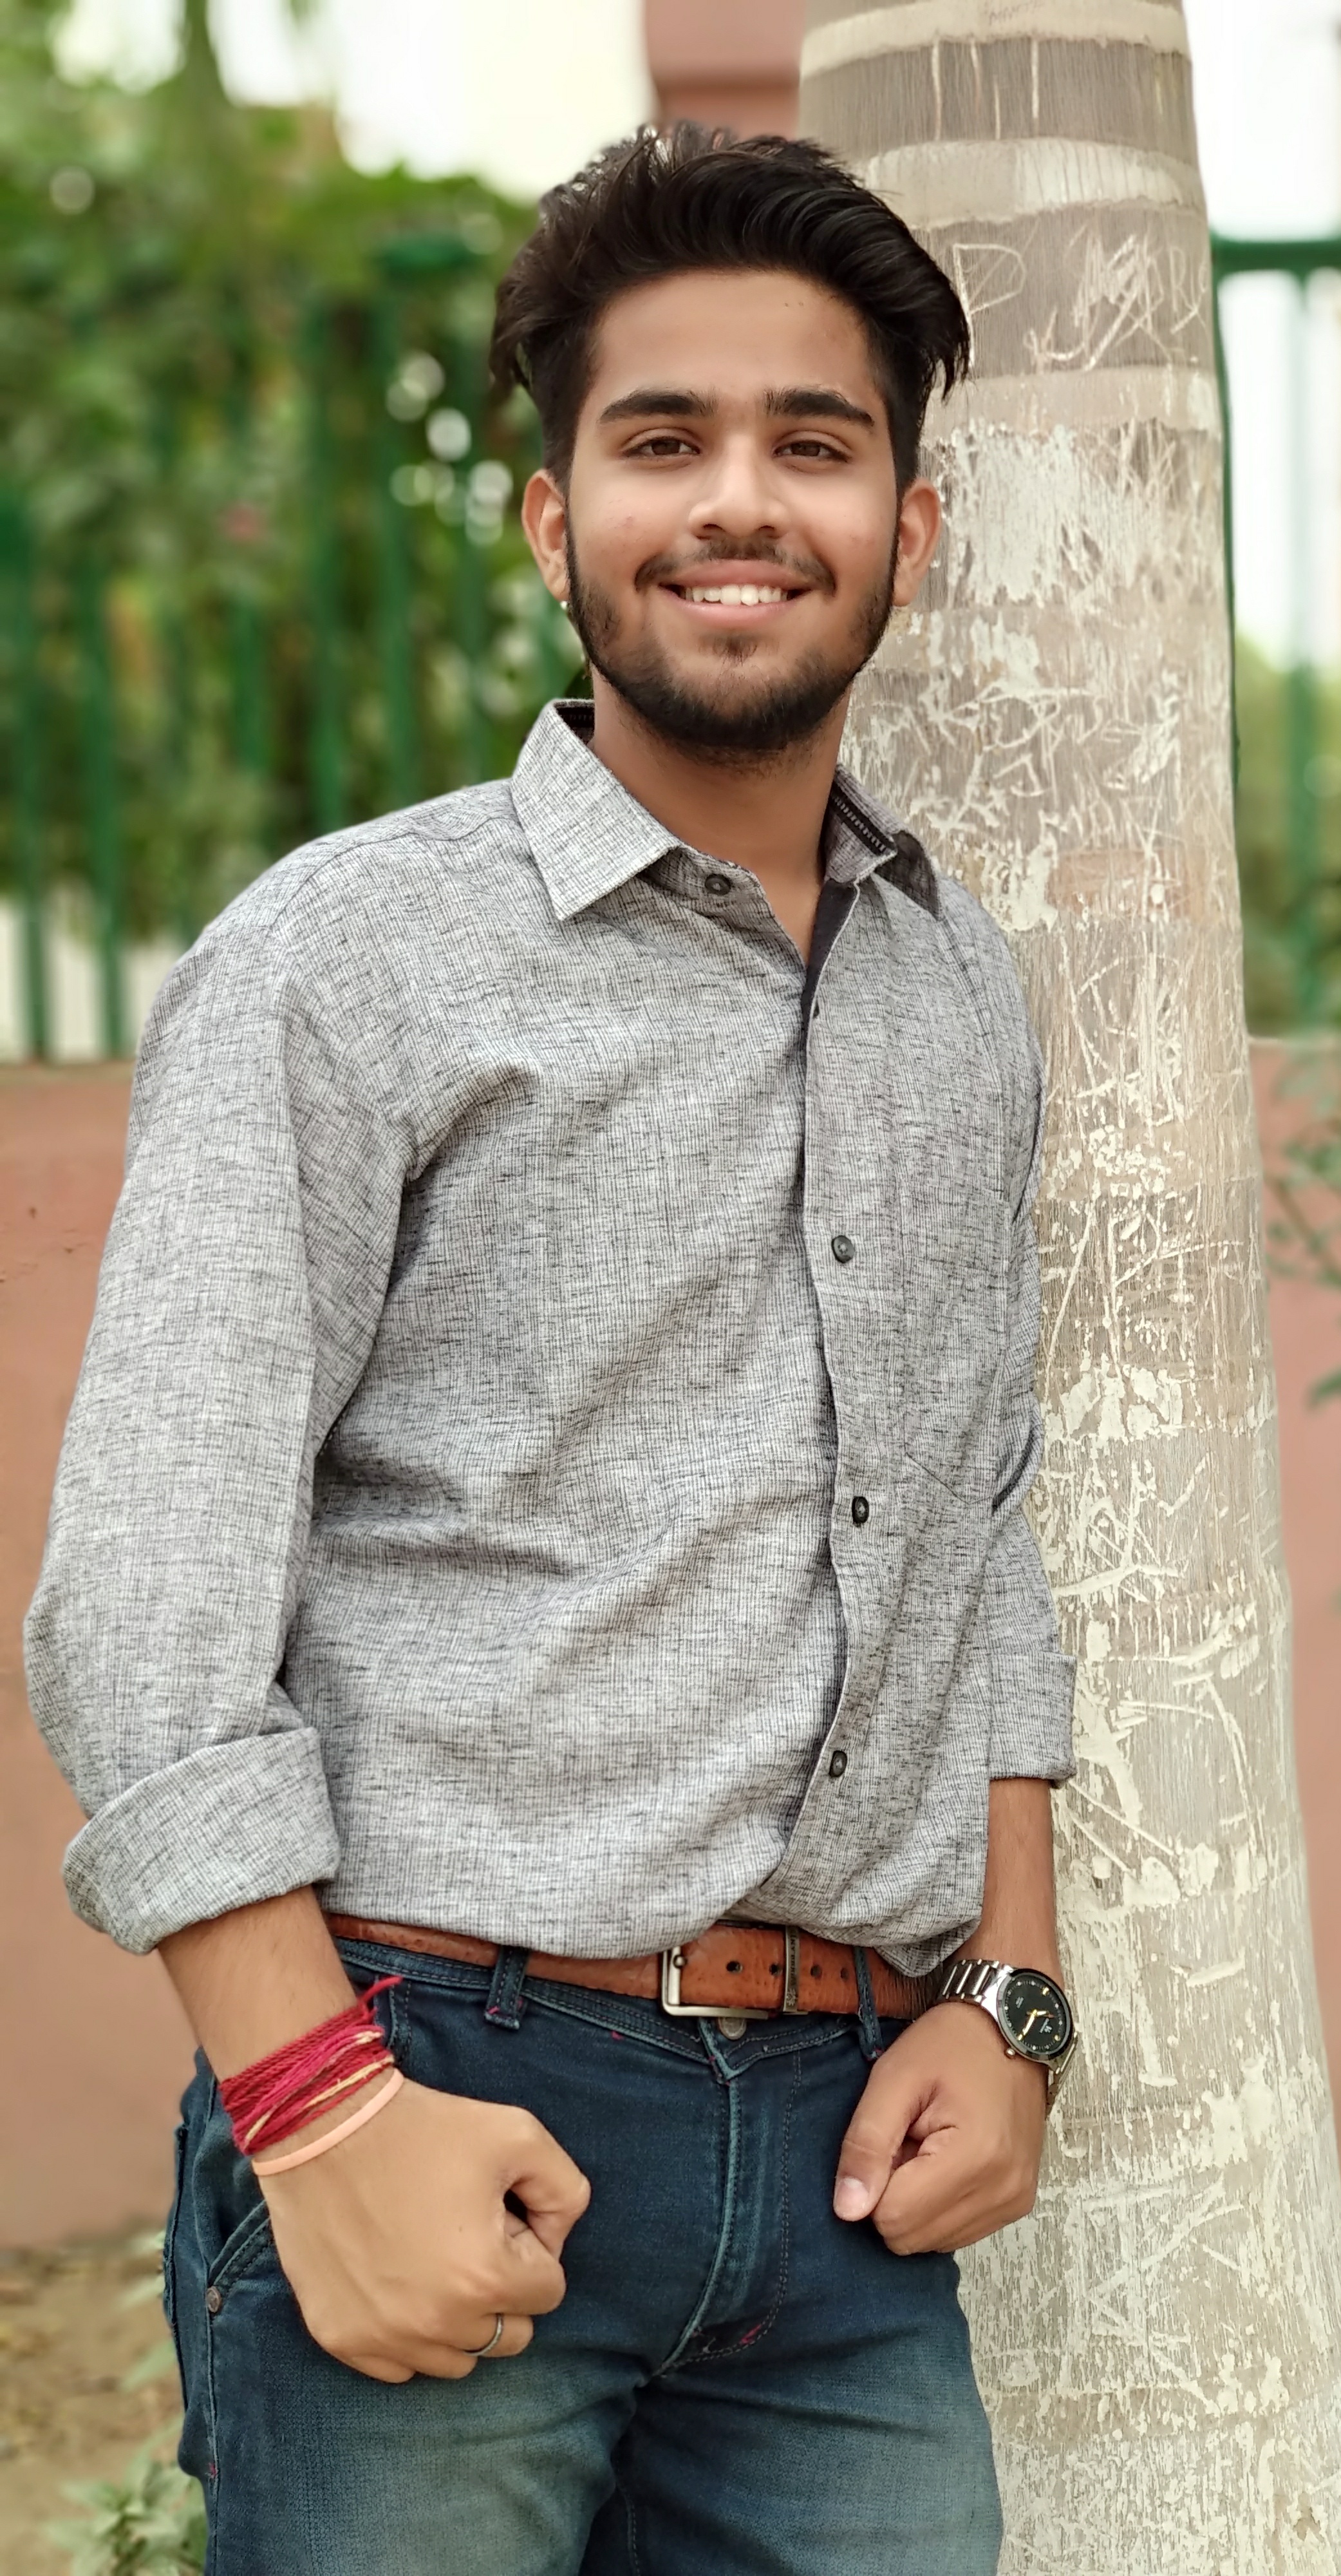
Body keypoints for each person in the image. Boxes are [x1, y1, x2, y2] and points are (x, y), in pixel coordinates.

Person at [26, 124, 1077, 2576]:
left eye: (813, 444)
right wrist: (312, 2104)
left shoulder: (957, 986)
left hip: (848, 2159)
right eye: (660, 438)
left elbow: (984, 1514)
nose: (739, 502)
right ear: (549, 521)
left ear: (908, 528)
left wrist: (1012, 1994)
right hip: (432, 2074)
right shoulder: (349, 959)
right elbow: (147, 1596)